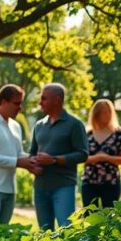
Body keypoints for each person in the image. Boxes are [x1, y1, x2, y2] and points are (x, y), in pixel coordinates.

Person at [0, 84, 40, 226]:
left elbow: (17, 153)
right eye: (16, 103)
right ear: (3, 102)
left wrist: (33, 160)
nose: (20, 107)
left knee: (4, 235)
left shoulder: (15, 125)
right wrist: (18, 162)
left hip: (9, 188)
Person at [29, 83, 89, 230]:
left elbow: (83, 154)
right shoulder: (39, 125)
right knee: (44, 233)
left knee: (66, 231)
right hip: (40, 187)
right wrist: (32, 166)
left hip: (64, 186)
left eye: (44, 98)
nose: (40, 102)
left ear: (56, 100)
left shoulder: (74, 124)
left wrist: (54, 160)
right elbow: (32, 154)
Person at [81, 99, 121, 209]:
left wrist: (106, 157)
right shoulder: (87, 134)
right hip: (89, 181)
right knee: (89, 217)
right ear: (96, 114)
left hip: (111, 181)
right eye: (104, 112)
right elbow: (80, 157)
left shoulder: (119, 133)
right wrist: (97, 157)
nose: (107, 115)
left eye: (109, 112)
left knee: (110, 218)